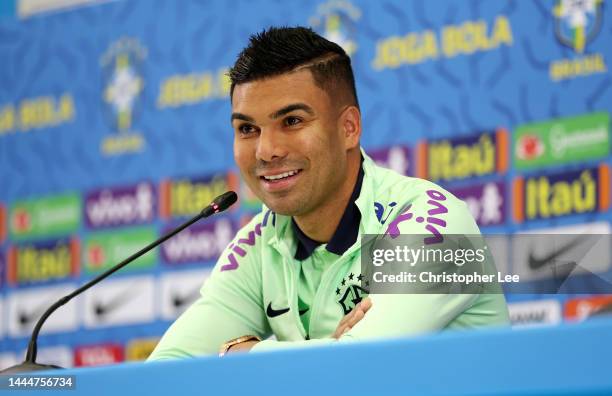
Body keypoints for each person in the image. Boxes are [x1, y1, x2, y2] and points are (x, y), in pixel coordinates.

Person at [148, 26, 509, 360]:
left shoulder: (437, 223)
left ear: (349, 128)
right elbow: (164, 373)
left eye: (292, 121)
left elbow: (357, 370)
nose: (265, 150)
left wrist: (240, 356)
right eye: (247, 128)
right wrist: (330, 354)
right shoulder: (260, 244)